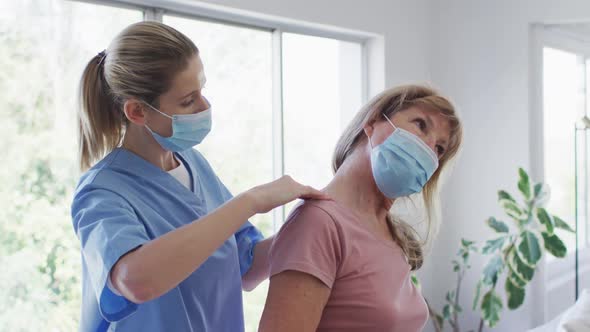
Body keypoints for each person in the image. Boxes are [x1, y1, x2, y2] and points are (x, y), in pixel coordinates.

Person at [71, 21, 326, 332]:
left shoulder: (195, 166)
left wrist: (313, 224)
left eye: (202, 90)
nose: (205, 106)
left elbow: (245, 267)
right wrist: (252, 201)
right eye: (188, 100)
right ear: (137, 112)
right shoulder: (103, 191)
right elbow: (135, 281)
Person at [259, 85, 463, 332]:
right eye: (421, 124)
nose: (428, 150)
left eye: (439, 149)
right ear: (373, 122)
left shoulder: (392, 234)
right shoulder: (318, 223)